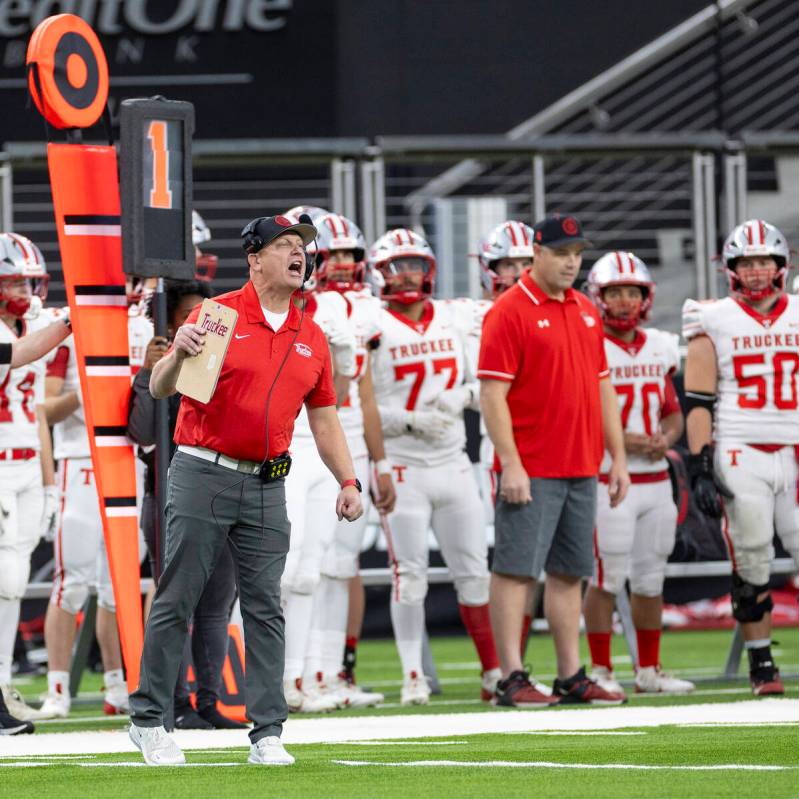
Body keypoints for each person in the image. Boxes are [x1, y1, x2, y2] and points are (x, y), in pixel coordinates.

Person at [128, 214, 363, 767]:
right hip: (204, 470)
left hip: (266, 481)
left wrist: (348, 480)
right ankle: (149, 720)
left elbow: (325, 420)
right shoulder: (220, 316)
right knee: (177, 597)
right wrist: (176, 353)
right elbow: (167, 391)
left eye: (301, 247)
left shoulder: (311, 335)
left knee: (265, 607)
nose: (298, 254)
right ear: (255, 258)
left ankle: (267, 731)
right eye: (284, 245)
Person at [478, 213, 630, 708]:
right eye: (562, 254)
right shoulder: (509, 310)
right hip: (534, 462)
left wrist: (618, 456)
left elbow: (602, 385)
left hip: (582, 462)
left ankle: (570, 675)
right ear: (537, 253)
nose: (571, 263)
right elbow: (492, 394)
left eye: (577, 254)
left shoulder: (586, 308)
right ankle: (510, 676)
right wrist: (511, 462)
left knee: (570, 572)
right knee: (516, 570)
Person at [369, 227, 500, 706]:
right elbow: (355, 404)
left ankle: (493, 673)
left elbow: (481, 380)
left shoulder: (454, 316)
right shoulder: (371, 323)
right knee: (410, 574)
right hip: (403, 462)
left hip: (452, 459)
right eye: (395, 266)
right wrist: (408, 419)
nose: (406, 275)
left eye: (414, 265)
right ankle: (411, 677)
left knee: (474, 572)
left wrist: (461, 397)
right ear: (379, 274)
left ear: (430, 269)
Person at [683, 218, 799, 696]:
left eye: (763, 261)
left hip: (795, 451)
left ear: (780, 265)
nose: (755, 271)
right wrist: (699, 464)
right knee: (751, 557)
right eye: (746, 262)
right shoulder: (711, 317)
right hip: (740, 448)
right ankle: (762, 664)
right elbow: (698, 398)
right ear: (731, 269)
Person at [129, 276, 247, 731]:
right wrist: (149, 372)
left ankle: (208, 701)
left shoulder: (221, 362)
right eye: (186, 319)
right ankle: (173, 701)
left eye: (204, 319)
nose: (198, 328)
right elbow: (142, 431)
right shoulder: (159, 367)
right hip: (171, 494)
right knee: (175, 600)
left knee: (217, 604)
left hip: (223, 490)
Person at [38, 272, 152, 719]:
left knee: (115, 585)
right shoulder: (70, 327)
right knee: (71, 583)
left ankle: (117, 685)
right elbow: (45, 407)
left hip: (128, 461)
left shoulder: (147, 329)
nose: (129, 286)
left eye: (135, 278)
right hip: (80, 459)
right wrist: (87, 392)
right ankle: (58, 690)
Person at [582, 252, 694, 696]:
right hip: (610, 480)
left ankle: (649, 668)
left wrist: (665, 439)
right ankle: (600, 669)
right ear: (599, 297)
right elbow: (587, 416)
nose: (625, 301)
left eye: (633, 292)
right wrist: (628, 442)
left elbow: (672, 412)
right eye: (615, 292)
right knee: (606, 578)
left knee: (651, 580)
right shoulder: (591, 345)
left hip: (655, 480)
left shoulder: (658, 346)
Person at [302, 212, 395, 709]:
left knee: (341, 565)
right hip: (306, 437)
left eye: (347, 255)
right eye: (330, 253)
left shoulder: (360, 312)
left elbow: (364, 391)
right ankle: (302, 673)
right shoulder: (303, 305)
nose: (338, 264)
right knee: (307, 565)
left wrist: (379, 463)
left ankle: (328, 670)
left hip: (350, 440)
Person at [0, 233, 61, 732]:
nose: (24, 288)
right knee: (4, 579)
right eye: (14, 279)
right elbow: (18, 356)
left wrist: (49, 481)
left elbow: (37, 410)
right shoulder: (25, 334)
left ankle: (1, 687)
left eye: (27, 279)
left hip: (25, 466)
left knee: (13, 583)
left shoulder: (29, 322)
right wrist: (69, 322)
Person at [474, 221, 534, 650]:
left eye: (525, 263)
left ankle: (515, 659)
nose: (515, 272)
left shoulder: (552, 311)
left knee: (538, 564)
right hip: (496, 446)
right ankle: (504, 664)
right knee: (507, 560)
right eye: (507, 264)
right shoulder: (472, 315)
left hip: (544, 444)